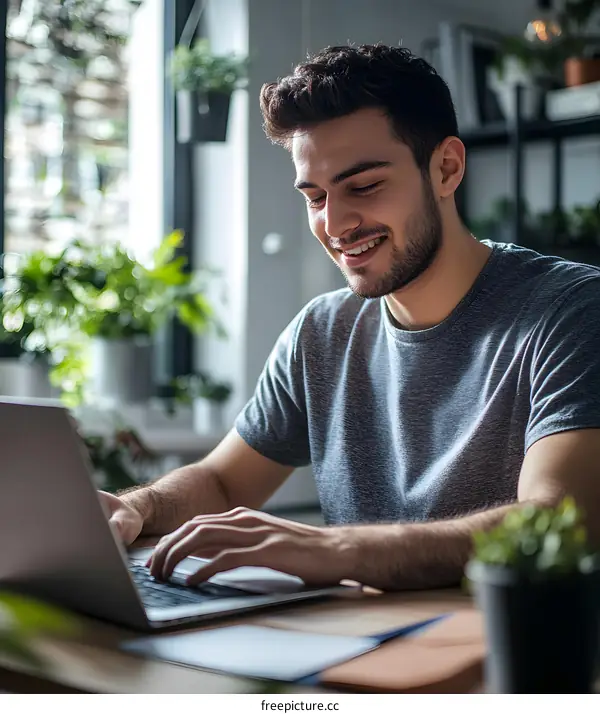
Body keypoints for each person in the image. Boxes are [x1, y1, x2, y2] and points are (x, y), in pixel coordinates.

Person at [101, 44, 600, 592]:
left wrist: (340, 549)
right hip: (355, 645)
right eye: (315, 197)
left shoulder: (571, 311)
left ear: (447, 168)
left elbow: (558, 520)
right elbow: (221, 483)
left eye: (364, 187)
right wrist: (139, 508)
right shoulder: (322, 331)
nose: (334, 224)